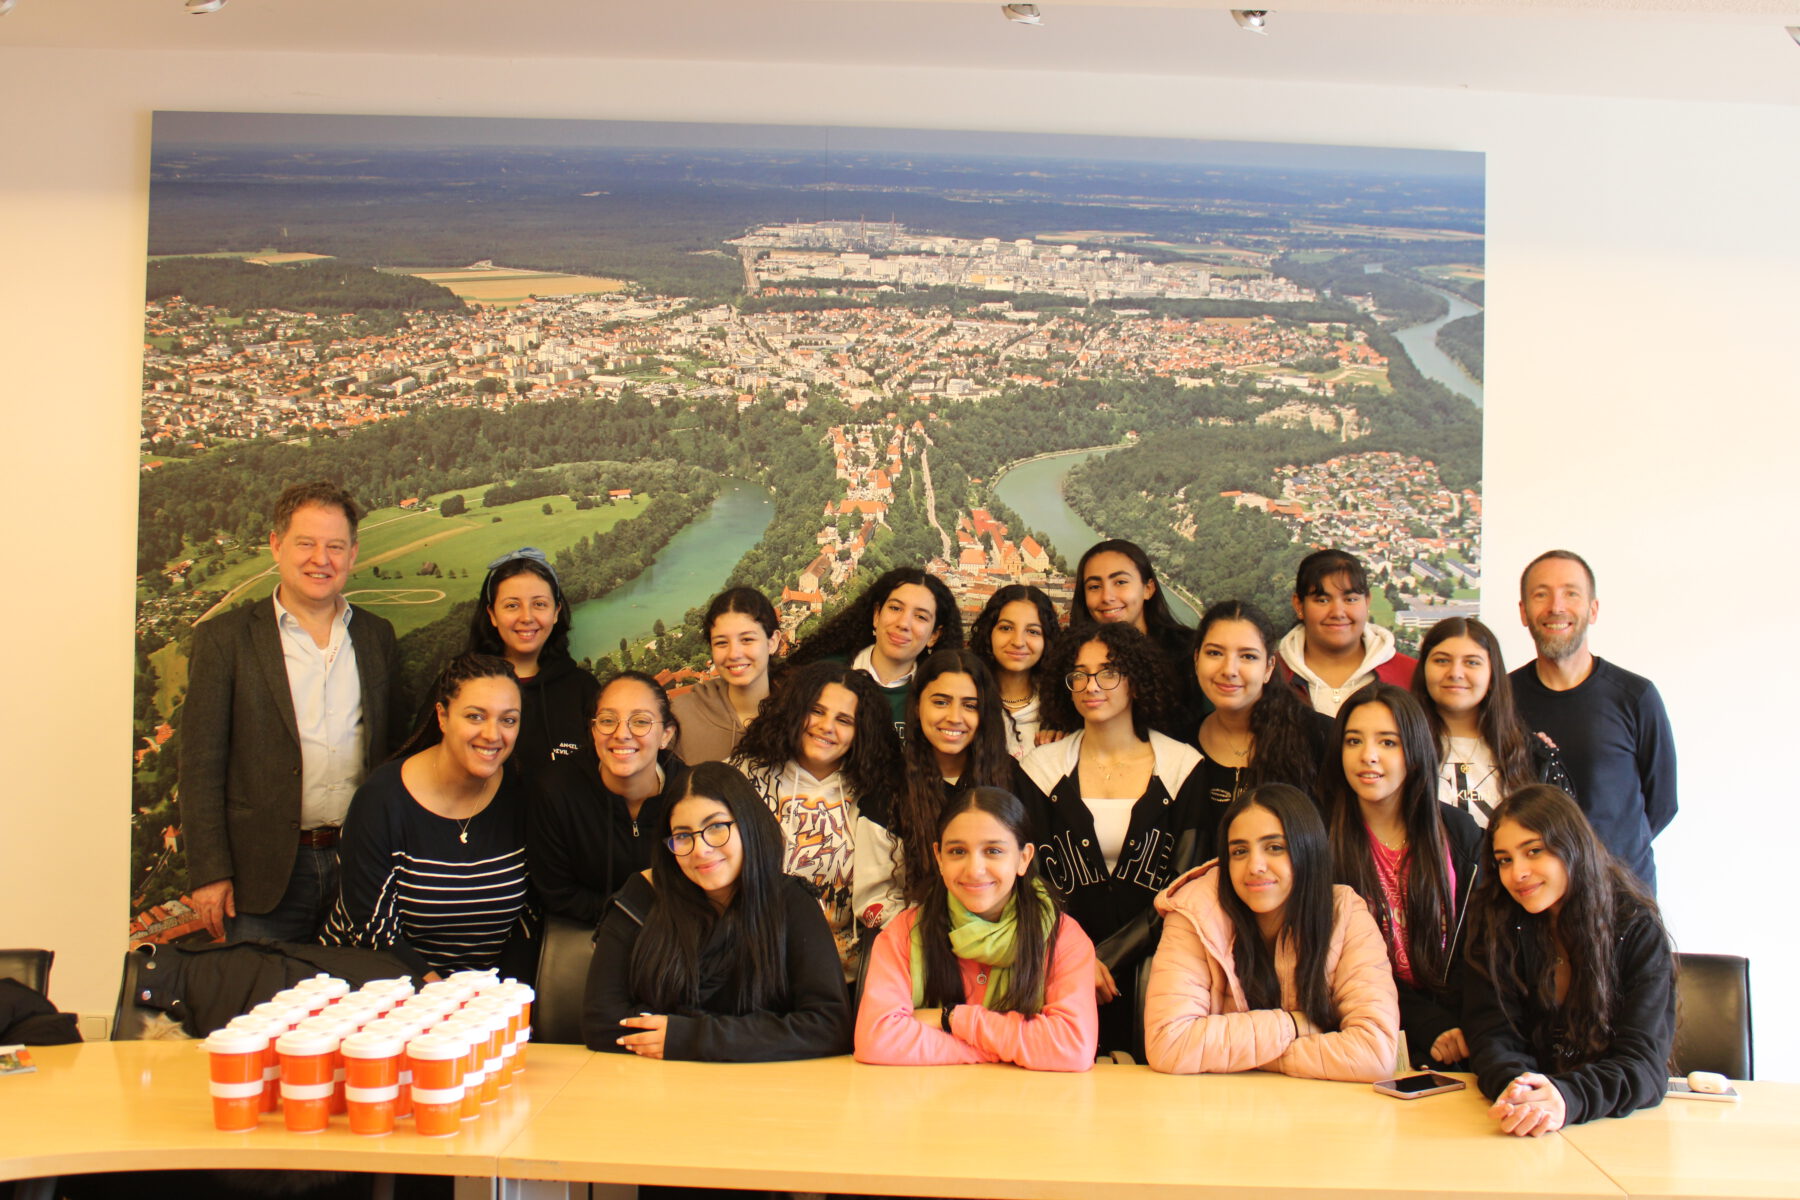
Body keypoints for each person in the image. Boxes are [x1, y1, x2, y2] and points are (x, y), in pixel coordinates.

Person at [180, 480, 403, 943]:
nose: (321, 560)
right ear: (277, 545)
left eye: (335, 547)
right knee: (264, 1007)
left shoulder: (376, 636)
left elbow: (392, 751)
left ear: (353, 554)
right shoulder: (225, 641)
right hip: (261, 877)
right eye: (306, 544)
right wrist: (209, 872)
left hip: (359, 863)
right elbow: (200, 767)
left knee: (356, 1005)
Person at [1016, 622, 1209, 1054]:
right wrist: (1075, 959)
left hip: (1159, 971)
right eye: (1079, 674)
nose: (1091, 686)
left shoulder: (1183, 769)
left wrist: (1108, 959)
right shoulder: (1039, 770)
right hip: (1056, 969)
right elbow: (1031, 882)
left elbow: (1186, 886)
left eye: (1108, 672)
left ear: (1136, 681)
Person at [581, 762, 854, 1061]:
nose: (701, 850)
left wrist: (691, 1037)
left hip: (763, 1092)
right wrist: (759, 1034)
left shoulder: (792, 902)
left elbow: (830, 1026)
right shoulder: (643, 896)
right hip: (657, 1088)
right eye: (683, 835)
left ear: (749, 824)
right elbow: (601, 1023)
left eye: (716, 828)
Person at [1142, 784, 1400, 1080]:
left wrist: (1246, 1056)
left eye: (1275, 847)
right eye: (1239, 851)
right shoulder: (1195, 911)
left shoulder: (1345, 913)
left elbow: (1375, 1053)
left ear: (1308, 849)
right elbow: (1169, 1042)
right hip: (1219, 1110)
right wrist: (1293, 1025)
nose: (1255, 866)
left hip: (1321, 1114)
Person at [1462, 784, 1676, 1136]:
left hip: (1611, 1126)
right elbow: (1491, 1036)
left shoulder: (1635, 927)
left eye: (1534, 851)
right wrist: (1523, 1094)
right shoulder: (1495, 919)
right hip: (1521, 1122)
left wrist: (1565, 1097)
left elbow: (1644, 1065)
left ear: (1572, 846)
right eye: (1504, 860)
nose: (1518, 873)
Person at [321, 653, 534, 980]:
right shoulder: (382, 798)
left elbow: (529, 915)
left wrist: (500, 998)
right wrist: (444, 1001)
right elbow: (371, 929)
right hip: (376, 990)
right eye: (475, 716)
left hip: (481, 999)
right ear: (443, 717)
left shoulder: (522, 795)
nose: (493, 735)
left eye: (508, 720)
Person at [855, 787, 1099, 1070]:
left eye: (993, 851)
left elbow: (1072, 1048)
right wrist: (1013, 1047)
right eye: (958, 851)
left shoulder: (1063, 938)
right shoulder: (904, 932)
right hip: (928, 1107)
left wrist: (951, 1019)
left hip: (1029, 1107)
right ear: (939, 858)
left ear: (1023, 858)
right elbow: (877, 1040)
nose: (974, 869)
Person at [1325, 683, 1481, 1070]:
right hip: (1360, 1036)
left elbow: (1483, 944)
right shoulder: (1321, 841)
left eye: (1388, 743)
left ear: (1414, 752)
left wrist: (1459, 1026)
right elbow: (1330, 964)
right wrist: (1428, 1024)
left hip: (1465, 1034)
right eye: (1353, 741)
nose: (1368, 756)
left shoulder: (1460, 834)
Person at [1509, 550, 1677, 891]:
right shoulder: (1502, 698)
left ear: (1593, 609)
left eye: (1571, 593)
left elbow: (1662, 802)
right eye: (1541, 594)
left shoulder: (1635, 696)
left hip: (1623, 896)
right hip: (1532, 898)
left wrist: (1608, 854)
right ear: (1524, 612)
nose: (1556, 607)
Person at [730, 660, 905, 981]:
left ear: (860, 731)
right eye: (817, 711)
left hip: (840, 978)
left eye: (844, 720)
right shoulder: (744, 775)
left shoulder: (879, 795)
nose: (827, 727)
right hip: (750, 966)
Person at [529, 670, 690, 924]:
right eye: (607, 720)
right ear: (593, 730)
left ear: (666, 735)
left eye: (640, 721)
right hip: (585, 933)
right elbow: (557, 893)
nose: (621, 733)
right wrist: (628, 918)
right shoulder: (555, 791)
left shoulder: (689, 794)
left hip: (674, 931)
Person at [1412, 615, 1573, 827]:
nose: (1456, 673)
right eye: (1442, 660)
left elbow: (1559, 839)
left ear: (1492, 674)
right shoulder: (1401, 747)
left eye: (1472, 662)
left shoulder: (1532, 754)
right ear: (1424, 670)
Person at [888, 649, 1014, 905]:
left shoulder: (1012, 779)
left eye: (970, 705)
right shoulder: (888, 782)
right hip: (910, 935)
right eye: (941, 702)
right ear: (916, 706)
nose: (954, 717)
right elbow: (876, 896)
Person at [463, 547, 599, 782]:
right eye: (512, 605)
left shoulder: (583, 690)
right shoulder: (460, 686)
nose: (527, 617)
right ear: (492, 614)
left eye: (539, 604)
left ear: (556, 612)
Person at [787, 566, 962, 733]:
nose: (903, 623)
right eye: (895, 608)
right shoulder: (821, 674)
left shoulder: (939, 697)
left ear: (934, 635)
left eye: (921, 617)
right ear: (877, 615)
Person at [1189, 600, 1330, 808]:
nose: (1229, 670)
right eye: (1215, 653)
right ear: (1196, 659)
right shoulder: (1179, 748)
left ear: (1268, 667)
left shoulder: (1321, 737)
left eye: (1248, 656)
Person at [1069, 538, 1200, 735]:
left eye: (1120, 582)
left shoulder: (1188, 651)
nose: (1107, 597)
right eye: (1094, 587)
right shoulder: (1072, 656)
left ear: (1148, 589)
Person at [1276, 548, 1416, 718]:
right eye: (1323, 600)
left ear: (1367, 601)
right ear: (1299, 605)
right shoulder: (1270, 674)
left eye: (1351, 600)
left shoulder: (1411, 676)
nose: (1338, 612)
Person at [671, 587, 781, 764]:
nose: (734, 654)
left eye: (747, 640)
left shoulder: (800, 716)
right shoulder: (679, 717)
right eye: (721, 643)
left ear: (772, 642)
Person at [970, 583, 1059, 758]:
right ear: (989, 633)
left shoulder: (1061, 710)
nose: (1018, 641)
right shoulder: (967, 698)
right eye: (1006, 628)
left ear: (1047, 640)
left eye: (1033, 631)